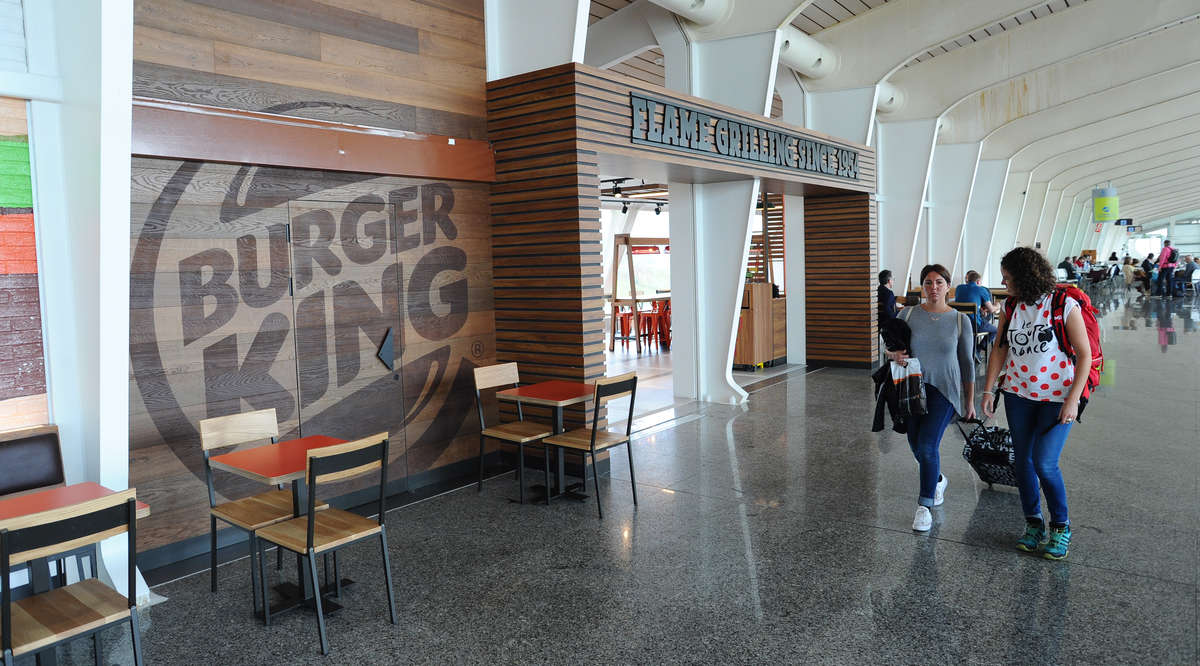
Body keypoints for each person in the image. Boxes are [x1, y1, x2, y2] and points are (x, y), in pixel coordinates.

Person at [981, 247, 1090, 561]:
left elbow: (1084, 355)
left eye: (1008, 277)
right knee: (1023, 462)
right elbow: (1000, 349)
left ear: (1026, 276)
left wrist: (1073, 400)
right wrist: (988, 390)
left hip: (1057, 398)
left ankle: (1061, 526)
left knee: (1044, 462)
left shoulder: (1063, 304)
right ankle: (1033, 523)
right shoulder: (1010, 306)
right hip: (1018, 394)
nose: (1004, 283)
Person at [886, 264, 975, 532]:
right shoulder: (908, 314)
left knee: (927, 445)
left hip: (945, 391)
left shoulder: (960, 320)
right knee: (916, 444)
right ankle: (936, 479)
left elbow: (967, 363)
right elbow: (889, 345)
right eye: (928, 282)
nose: (933, 287)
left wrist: (970, 401)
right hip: (913, 388)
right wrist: (893, 354)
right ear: (922, 286)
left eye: (938, 282)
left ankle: (924, 506)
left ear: (948, 286)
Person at [954, 270, 999, 351]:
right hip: (975, 325)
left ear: (968, 280)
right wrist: (997, 305)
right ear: (978, 281)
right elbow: (992, 310)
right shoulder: (981, 290)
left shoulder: (959, 288)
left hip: (959, 324)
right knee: (995, 330)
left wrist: (980, 310)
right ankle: (978, 349)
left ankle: (973, 351)